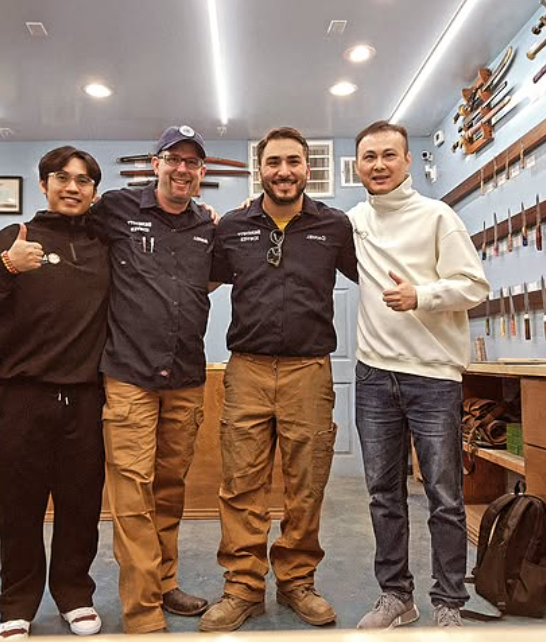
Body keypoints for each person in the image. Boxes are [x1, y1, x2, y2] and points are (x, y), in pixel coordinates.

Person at [199, 127, 358, 632]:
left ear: (307, 168)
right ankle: (243, 588)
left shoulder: (335, 226)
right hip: (246, 369)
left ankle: (297, 582)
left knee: (306, 484)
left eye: (293, 162)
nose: (283, 171)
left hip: (308, 372)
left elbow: (376, 278)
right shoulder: (233, 227)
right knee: (240, 485)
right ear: (259, 169)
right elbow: (201, 281)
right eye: (274, 162)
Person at [0, 146, 109, 642]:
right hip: (21, 397)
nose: (72, 187)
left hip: (85, 398)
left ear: (94, 191)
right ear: (44, 184)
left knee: (80, 506)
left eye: (83, 180)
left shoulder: (103, 244)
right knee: (19, 507)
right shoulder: (16, 237)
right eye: (62, 177)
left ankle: (74, 595)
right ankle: (17, 604)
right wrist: (6, 265)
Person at [348, 121, 489, 629]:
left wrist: (421, 295)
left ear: (408, 161)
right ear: (357, 165)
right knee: (383, 495)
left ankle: (448, 603)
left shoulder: (438, 216)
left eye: (389, 154)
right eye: (369, 156)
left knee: (444, 497)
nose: (379, 165)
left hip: (432, 377)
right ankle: (396, 598)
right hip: (373, 378)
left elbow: (475, 285)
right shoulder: (354, 221)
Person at [87, 125, 215, 635]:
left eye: (192, 162)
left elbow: (207, 281)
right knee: (133, 493)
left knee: (169, 489)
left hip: (185, 376)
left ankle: (164, 583)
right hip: (129, 376)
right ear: (155, 163)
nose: (182, 169)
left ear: (201, 172)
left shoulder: (207, 225)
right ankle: (142, 611)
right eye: (173, 159)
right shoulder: (116, 209)